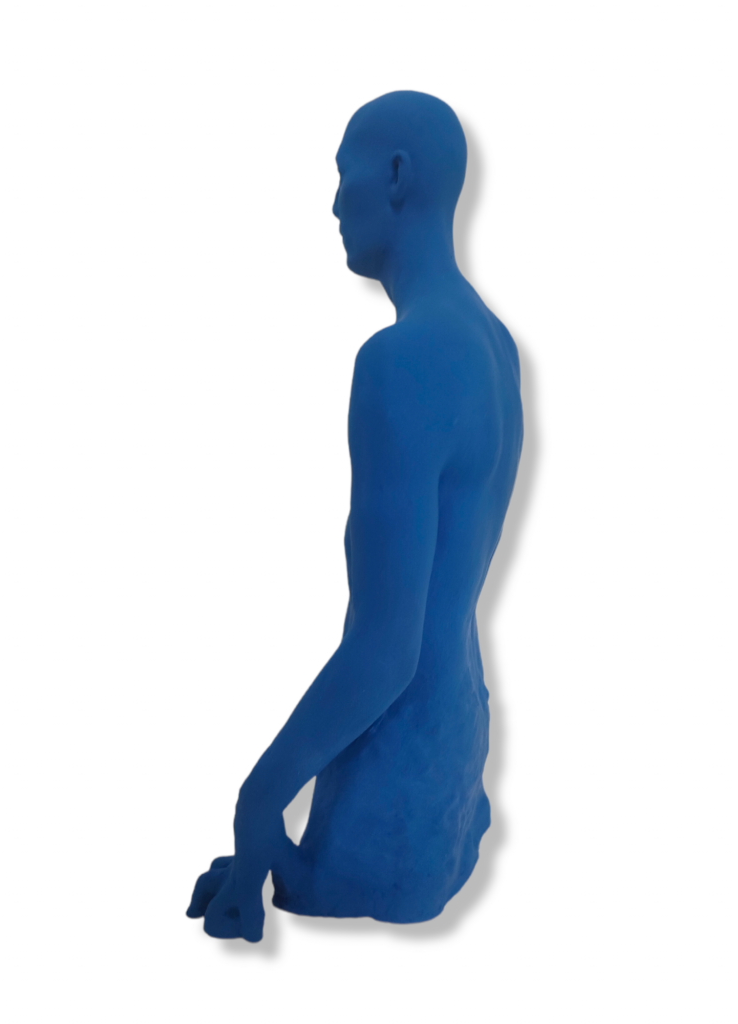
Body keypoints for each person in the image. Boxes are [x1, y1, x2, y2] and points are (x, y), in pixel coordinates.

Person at [187, 90, 523, 941]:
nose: (336, 203)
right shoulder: (494, 346)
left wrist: (259, 804)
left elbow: (385, 650)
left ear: (397, 176)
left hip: (391, 793)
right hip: (454, 767)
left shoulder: (402, 361)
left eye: (345, 175)